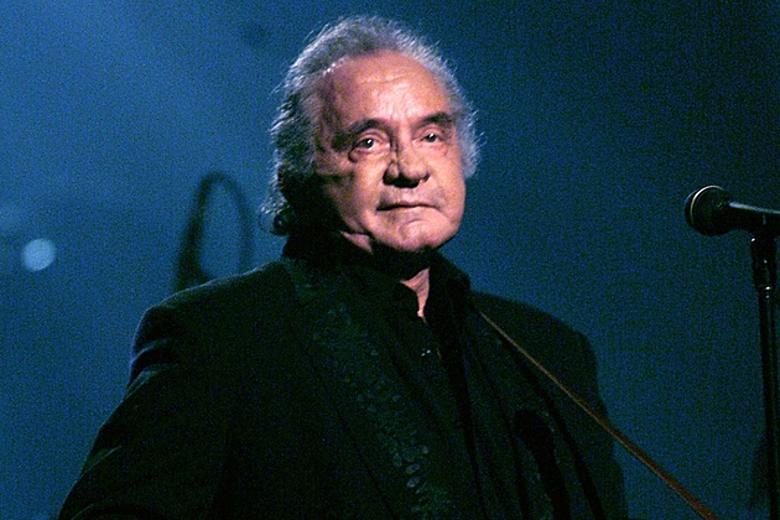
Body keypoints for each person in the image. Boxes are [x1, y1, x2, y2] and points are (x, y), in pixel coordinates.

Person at [60, 16, 629, 519]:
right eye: (369, 142)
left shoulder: (550, 353)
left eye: (431, 135)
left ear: (462, 155)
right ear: (300, 172)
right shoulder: (219, 336)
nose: (409, 168)